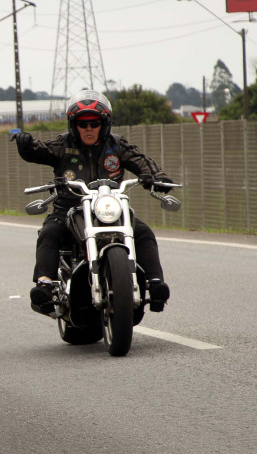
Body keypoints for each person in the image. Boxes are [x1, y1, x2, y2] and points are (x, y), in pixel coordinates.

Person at [10, 89, 173, 313]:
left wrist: (158, 178)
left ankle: (155, 284)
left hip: (109, 206)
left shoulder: (117, 146)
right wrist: (26, 145)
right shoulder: (63, 145)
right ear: (74, 125)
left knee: (143, 232)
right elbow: (40, 151)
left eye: (94, 123)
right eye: (82, 123)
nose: (88, 129)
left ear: (104, 124)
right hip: (69, 207)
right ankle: (45, 285)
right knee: (49, 232)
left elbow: (141, 161)